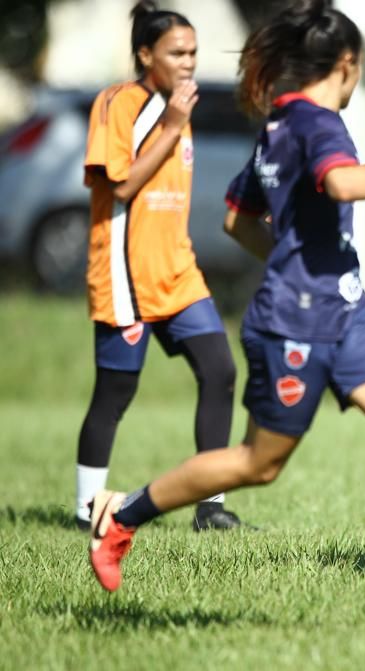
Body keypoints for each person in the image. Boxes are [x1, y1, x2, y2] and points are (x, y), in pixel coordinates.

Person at [87, 1, 365, 631]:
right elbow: (340, 185)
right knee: (260, 463)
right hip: (293, 323)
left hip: (347, 313)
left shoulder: (279, 124)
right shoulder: (318, 125)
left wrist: (289, 255)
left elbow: (238, 218)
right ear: (345, 65)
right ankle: (122, 517)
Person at [76, 0, 242, 532]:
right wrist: (171, 126)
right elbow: (120, 184)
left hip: (178, 273)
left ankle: (210, 507)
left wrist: (177, 118)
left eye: (193, 52)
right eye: (177, 52)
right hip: (126, 275)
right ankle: (86, 510)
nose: (188, 62)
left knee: (219, 371)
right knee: (116, 392)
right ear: (146, 54)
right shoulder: (120, 103)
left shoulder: (178, 107)